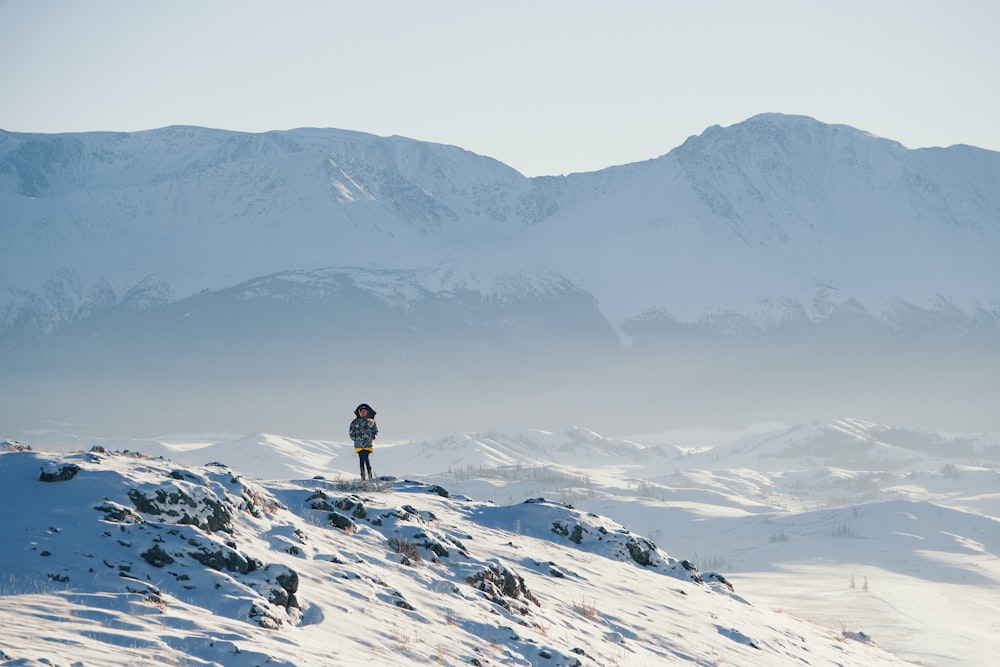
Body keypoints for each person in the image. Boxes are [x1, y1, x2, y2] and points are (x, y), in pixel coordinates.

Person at [349, 403, 378, 480]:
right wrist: (356, 438)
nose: (363, 412)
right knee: (361, 460)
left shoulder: (372, 422)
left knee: (366, 460)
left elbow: (376, 431)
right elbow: (351, 432)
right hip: (359, 445)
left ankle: (369, 476)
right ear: (359, 412)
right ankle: (363, 477)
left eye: (365, 411)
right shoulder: (355, 422)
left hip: (368, 444)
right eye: (362, 411)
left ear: (367, 411)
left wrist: (372, 437)